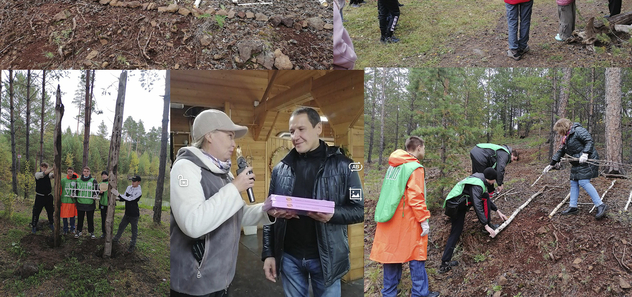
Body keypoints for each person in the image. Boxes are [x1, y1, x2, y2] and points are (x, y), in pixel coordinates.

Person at [171, 110, 277, 296]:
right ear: (209, 135)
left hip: (221, 279)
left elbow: (237, 215)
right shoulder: (185, 168)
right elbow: (193, 224)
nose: (234, 144)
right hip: (193, 286)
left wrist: (267, 210)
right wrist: (235, 187)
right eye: (229, 136)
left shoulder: (224, 173)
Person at [262, 107, 364, 297]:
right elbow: (268, 214)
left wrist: (333, 215)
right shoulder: (280, 169)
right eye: (292, 131)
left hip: (327, 260)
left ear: (318, 128)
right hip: (289, 258)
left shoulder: (345, 166)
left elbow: (359, 210)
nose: (295, 136)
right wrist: (268, 253)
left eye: (301, 129)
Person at [369, 136, 440, 297]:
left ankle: (389, 292)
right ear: (419, 147)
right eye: (424, 148)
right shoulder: (414, 167)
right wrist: (423, 220)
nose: (424, 151)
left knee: (391, 255)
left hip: (389, 218)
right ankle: (420, 293)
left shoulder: (394, 166)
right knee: (416, 254)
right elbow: (416, 197)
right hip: (407, 219)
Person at [440, 168, 507, 273]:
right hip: (455, 206)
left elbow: (485, 199)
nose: (494, 183)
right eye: (494, 180)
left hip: (459, 204)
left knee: (484, 197)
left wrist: (498, 211)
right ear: (490, 179)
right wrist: (485, 225)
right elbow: (477, 205)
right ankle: (444, 264)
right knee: (455, 232)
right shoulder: (477, 185)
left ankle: (445, 261)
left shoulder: (480, 178)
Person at [543, 119, 607, 219]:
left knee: (583, 182)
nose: (558, 133)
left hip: (588, 159)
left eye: (559, 130)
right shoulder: (566, 137)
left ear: (563, 127)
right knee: (574, 182)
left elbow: (589, 141)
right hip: (577, 161)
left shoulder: (578, 130)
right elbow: (561, 151)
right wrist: (552, 164)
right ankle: (573, 207)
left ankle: (600, 205)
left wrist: (585, 153)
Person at [111, 175, 142, 252]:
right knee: (121, 226)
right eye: (132, 181)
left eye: (134, 181)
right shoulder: (129, 187)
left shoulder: (139, 192)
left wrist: (118, 194)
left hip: (134, 214)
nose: (132, 182)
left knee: (134, 230)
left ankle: (132, 245)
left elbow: (130, 199)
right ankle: (115, 239)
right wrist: (117, 198)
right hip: (127, 213)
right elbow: (124, 197)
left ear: (139, 182)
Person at [74, 166, 97, 239]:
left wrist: (95, 196)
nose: (86, 172)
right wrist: (73, 195)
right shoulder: (78, 180)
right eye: (84, 171)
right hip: (80, 202)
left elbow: (96, 191)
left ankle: (91, 232)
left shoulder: (93, 180)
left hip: (90, 203)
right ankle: (78, 231)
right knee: (80, 218)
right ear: (82, 172)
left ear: (89, 172)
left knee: (90, 219)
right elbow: (74, 190)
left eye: (87, 171)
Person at [32, 162, 54, 233]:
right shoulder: (37, 174)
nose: (44, 168)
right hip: (40, 197)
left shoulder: (49, 175)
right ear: (41, 167)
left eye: (45, 167)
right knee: (36, 212)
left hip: (48, 196)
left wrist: (56, 169)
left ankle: (51, 223)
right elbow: (43, 174)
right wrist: (52, 168)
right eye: (43, 167)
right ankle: (34, 226)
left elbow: (53, 175)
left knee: (50, 211)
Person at [60, 167, 78, 235]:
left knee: (72, 216)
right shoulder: (63, 180)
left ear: (73, 172)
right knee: (64, 216)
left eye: (71, 172)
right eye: (68, 171)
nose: (70, 173)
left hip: (72, 201)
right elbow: (60, 190)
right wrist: (60, 199)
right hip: (64, 200)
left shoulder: (76, 180)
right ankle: (65, 229)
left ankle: (72, 229)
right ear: (67, 172)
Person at [99, 170, 109, 238]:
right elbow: (98, 193)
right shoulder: (100, 184)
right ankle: (104, 232)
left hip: (109, 204)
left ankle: (109, 232)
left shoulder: (110, 183)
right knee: (103, 219)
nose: (104, 176)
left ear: (107, 175)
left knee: (109, 219)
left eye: (105, 174)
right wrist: (100, 192)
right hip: (102, 203)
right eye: (103, 175)